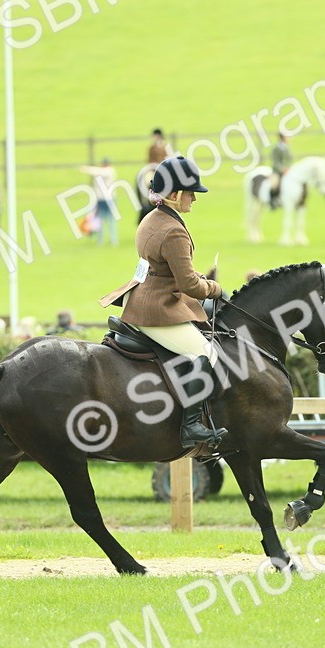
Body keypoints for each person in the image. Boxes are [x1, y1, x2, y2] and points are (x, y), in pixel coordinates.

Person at [105, 155, 226, 448]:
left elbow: (168, 268)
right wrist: (215, 288)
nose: (194, 199)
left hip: (143, 297)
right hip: (156, 310)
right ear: (173, 195)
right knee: (207, 354)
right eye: (190, 193)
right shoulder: (173, 230)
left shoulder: (152, 218)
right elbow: (188, 285)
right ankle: (191, 426)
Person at [81, 158, 119, 246]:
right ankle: (100, 240)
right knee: (99, 220)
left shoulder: (110, 171)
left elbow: (101, 172)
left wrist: (87, 169)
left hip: (109, 199)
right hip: (100, 199)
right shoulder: (100, 173)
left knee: (111, 221)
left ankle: (114, 240)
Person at [268, 131, 292, 209]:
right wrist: (281, 168)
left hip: (288, 171)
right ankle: (273, 201)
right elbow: (275, 161)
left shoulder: (287, 148)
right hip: (278, 171)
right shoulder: (276, 148)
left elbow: (290, 159)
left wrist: (288, 167)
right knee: (274, 184)